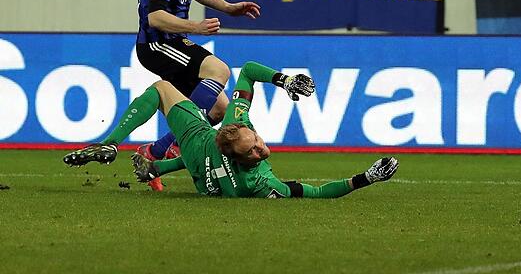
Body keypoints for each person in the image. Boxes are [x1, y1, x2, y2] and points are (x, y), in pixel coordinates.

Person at [62, 61, 399, 198]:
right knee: (179, 88)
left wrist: (284, 80)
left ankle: (115, 144)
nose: (260, 148)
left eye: (256, 142)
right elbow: (317, 193)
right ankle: (144, 160)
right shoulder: (261, 183)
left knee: (162, 89)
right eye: (254, 150)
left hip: (197, 143)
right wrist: (365, 178)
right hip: (200, 160)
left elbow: (249, 70)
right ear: (239, 158)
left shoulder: (232, 130)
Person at [134, 0, 260, 175]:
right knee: (219, 70)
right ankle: (166, 146)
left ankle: (152, 156)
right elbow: (154, 17)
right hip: (156, 43)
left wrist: (229, 7)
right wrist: (196, 27)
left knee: (219, 110)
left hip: (176, 40)